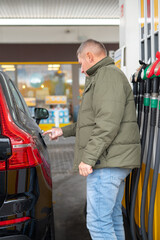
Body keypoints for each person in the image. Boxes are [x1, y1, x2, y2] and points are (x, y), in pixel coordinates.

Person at [43, 39, 141, 240]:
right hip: (113, 160)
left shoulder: (107, 76)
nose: (80, 69)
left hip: (107, 162)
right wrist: (63, 131)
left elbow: (107, 123)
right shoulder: (103, 76)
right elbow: (94, 121)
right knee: (111, 219)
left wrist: (88, 158)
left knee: (97, 223)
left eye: (80, 63)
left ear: (90, 56)